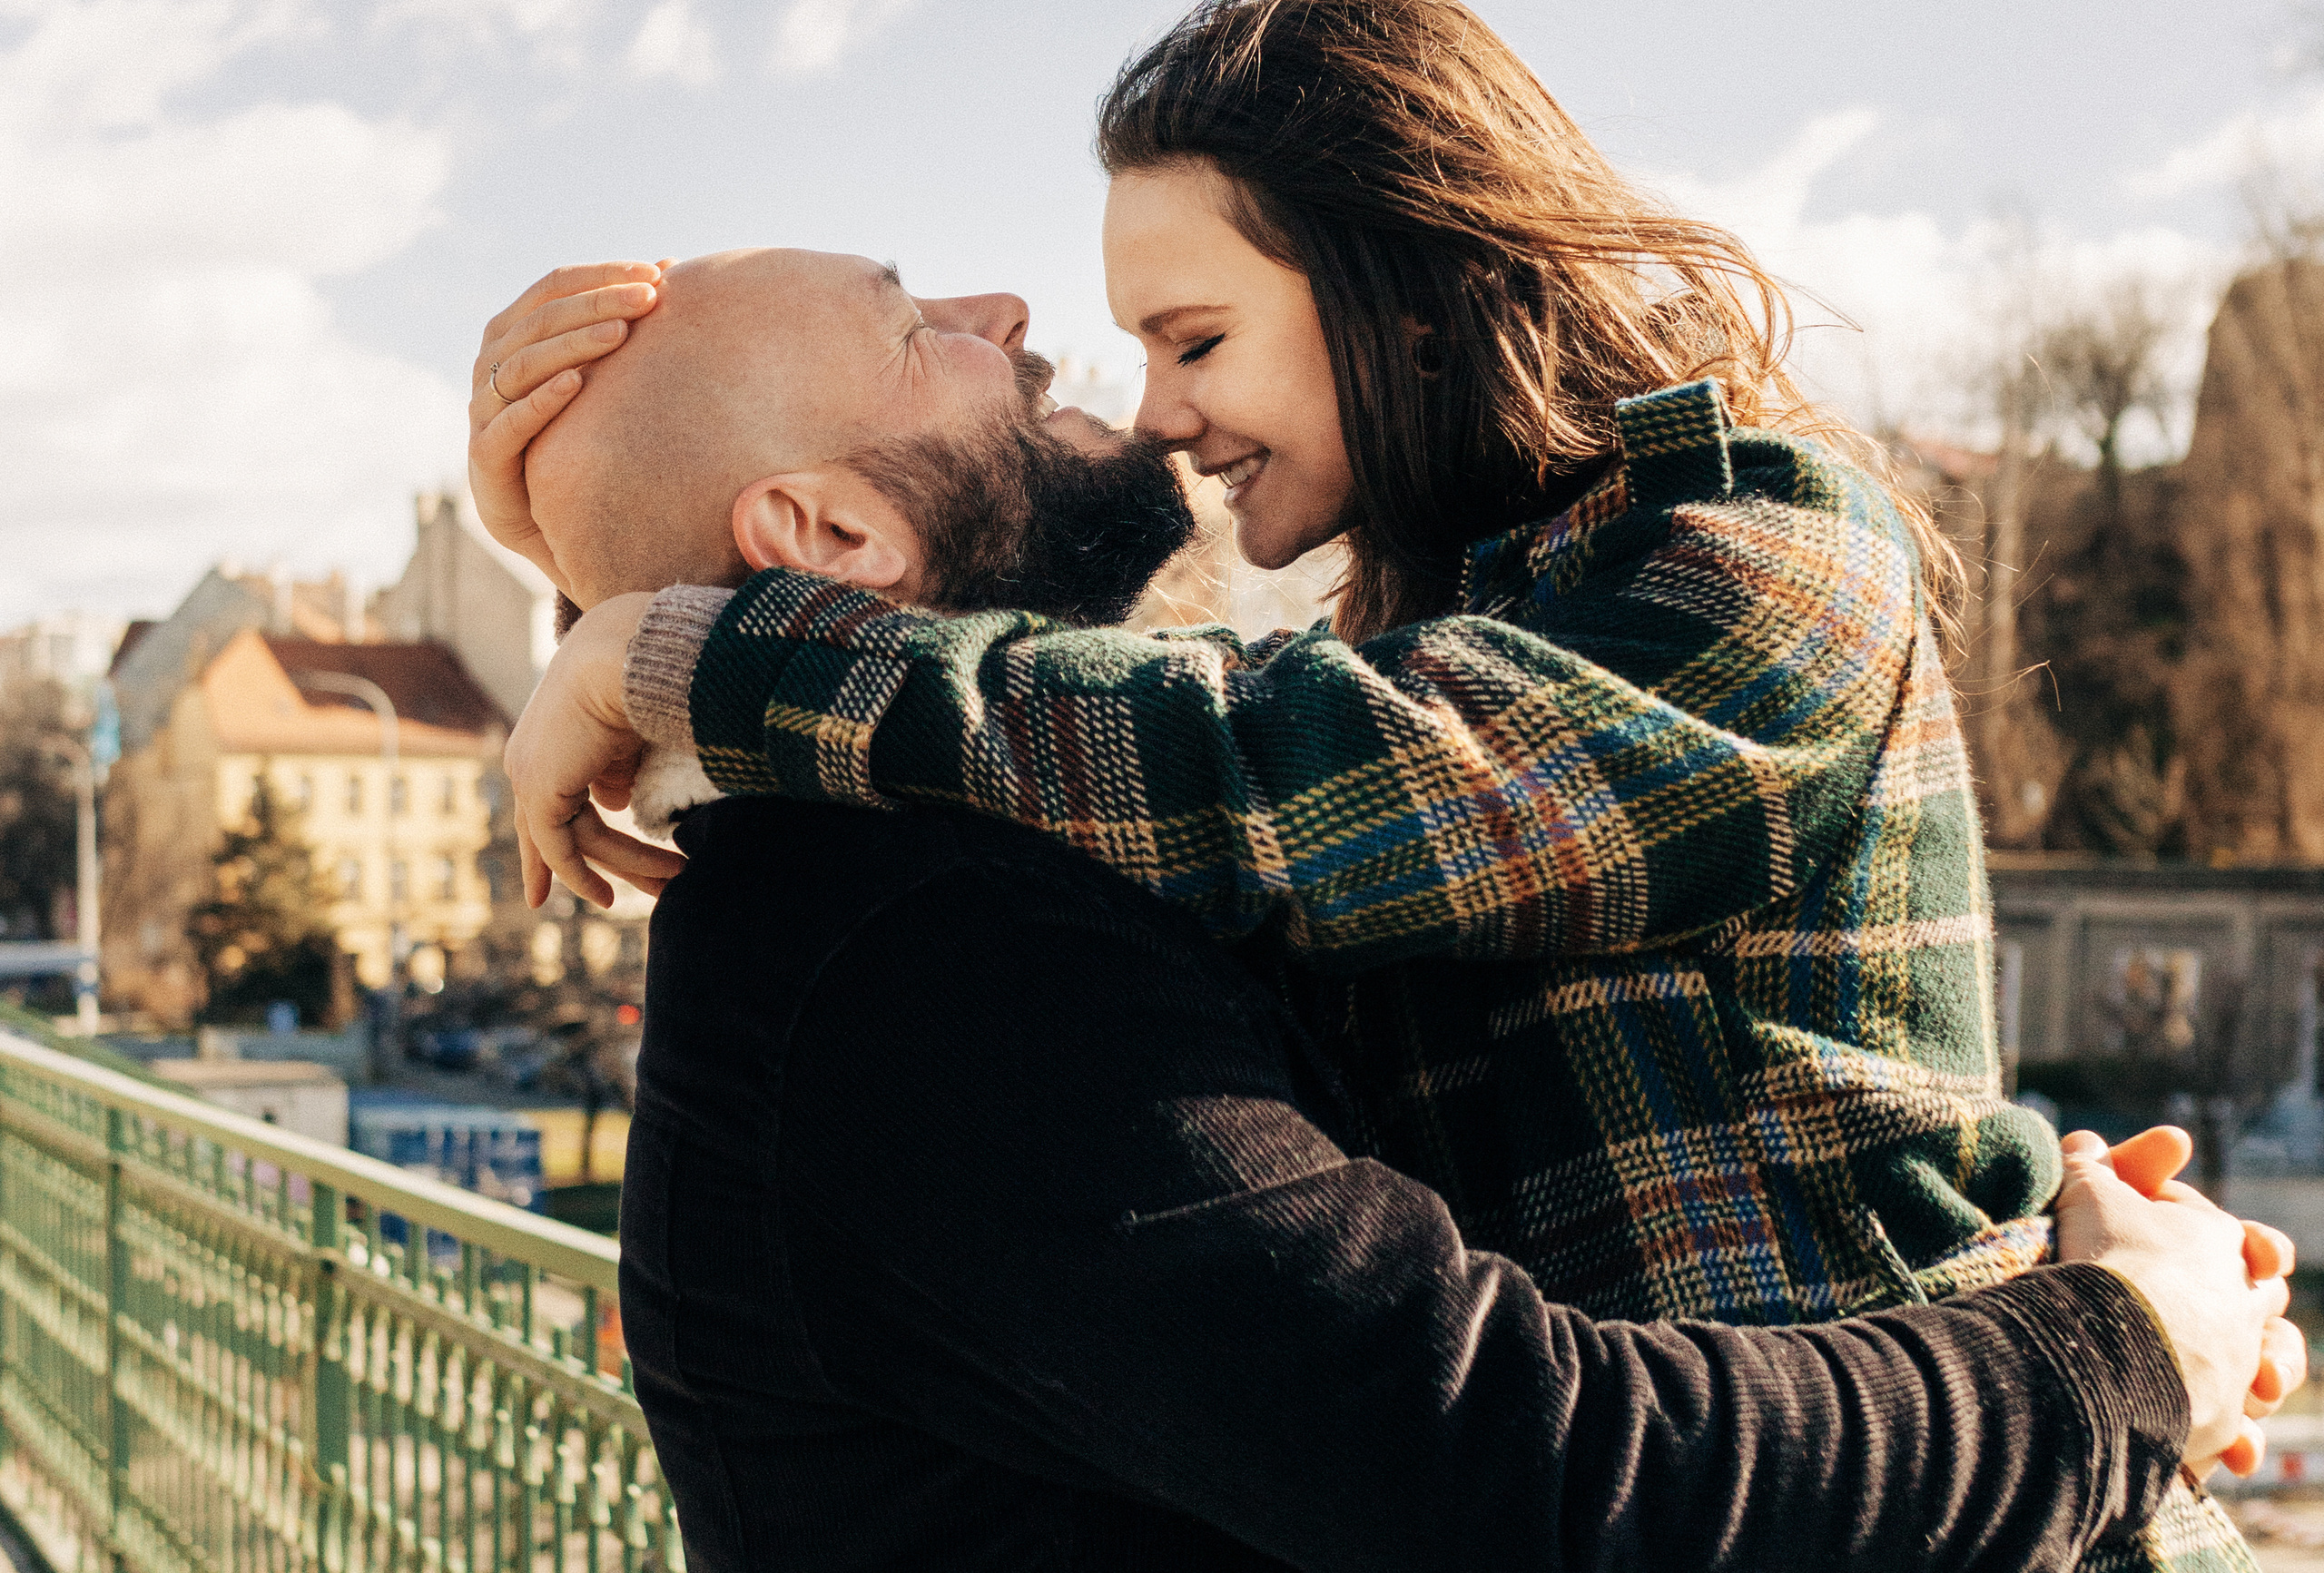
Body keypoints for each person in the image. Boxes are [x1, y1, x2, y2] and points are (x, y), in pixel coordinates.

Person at [496, 241, 2295, 1571]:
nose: (1006, 315)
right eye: (914, 329)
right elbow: (1534, 1475)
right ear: (819, 542)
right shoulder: (919, 946)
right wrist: (2118, 1355)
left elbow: (1236, 734)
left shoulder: (945, 862)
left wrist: (625, 587)